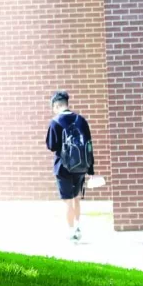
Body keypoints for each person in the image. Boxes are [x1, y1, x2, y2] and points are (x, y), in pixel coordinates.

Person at [45, 90, 96, 242]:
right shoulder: (81, 120)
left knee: (67, 200)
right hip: (80, 166)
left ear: (55, 106)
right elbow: (88, 146)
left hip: (63, 167)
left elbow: (51, 146)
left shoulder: (55, 122)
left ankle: (71, 231)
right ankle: (78, 226)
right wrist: (90, 169)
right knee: (76, 198)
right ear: (67, 104)